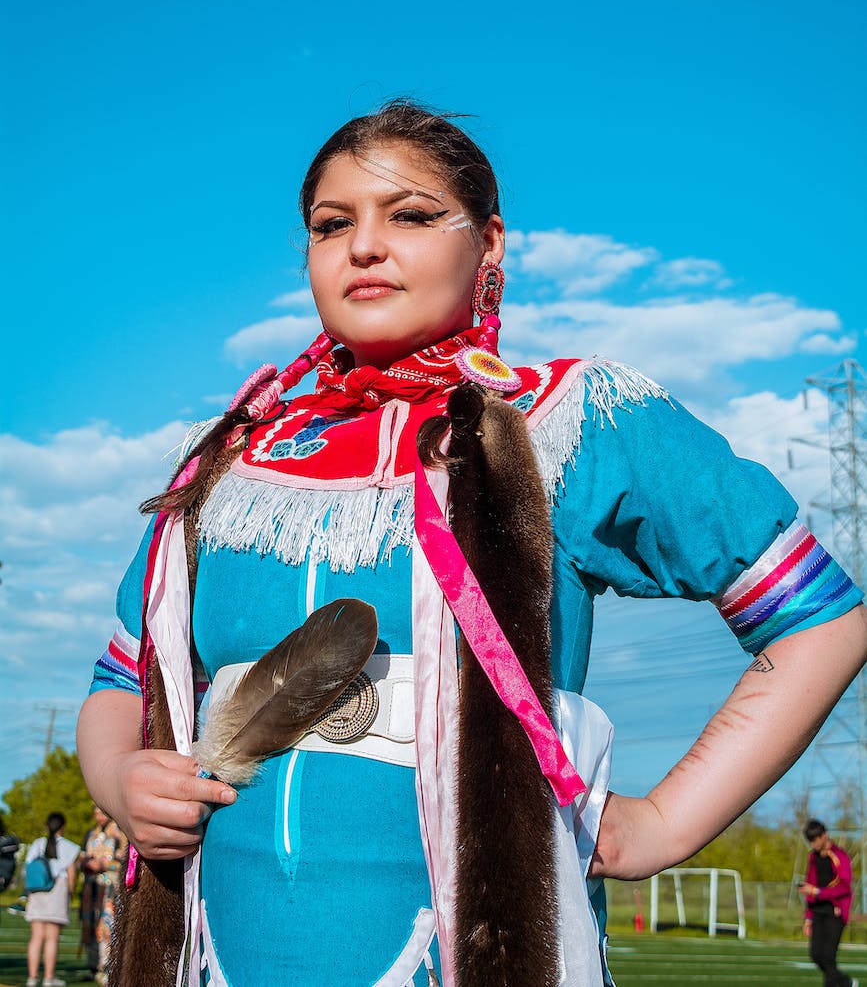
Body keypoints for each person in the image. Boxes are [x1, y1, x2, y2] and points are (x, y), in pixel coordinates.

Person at [77, 101, 867, 987]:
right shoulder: (223, 461)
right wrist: (122, 781)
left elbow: (821, 622)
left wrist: (665, 824)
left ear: (489, 244)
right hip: (219, 954)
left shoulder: (572, 422)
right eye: (331, 225)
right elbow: (119, 681)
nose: (364, 246)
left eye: (410, 215)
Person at [800, 819, 859, 987]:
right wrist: (808, 918)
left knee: (828, 956)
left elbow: (845, 887)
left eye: (815, 839)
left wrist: (819, 892)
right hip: (818, 911)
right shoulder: (812, 857)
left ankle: (843, 983)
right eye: (810, 841)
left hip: (836, 912)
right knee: (816, 954)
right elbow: (810, 884)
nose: (813, 844)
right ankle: (846, 982)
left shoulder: (839, 856)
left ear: (824, 835)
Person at [24, 811, 80, 987]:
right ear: (63, 827)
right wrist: (71, 893)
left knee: (36, 937)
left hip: (37, 891)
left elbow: (28, 866)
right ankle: (49, 978)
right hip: (57, 888)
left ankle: (32, 978)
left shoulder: (37, 844)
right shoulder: (70, 847)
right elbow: (71, 873)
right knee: (52, 938)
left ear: (46, 825)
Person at [79, 805, 127, 983]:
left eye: (101, 812)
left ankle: (108, 967)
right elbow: (81, 858)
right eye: (96, 812)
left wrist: (105, 866)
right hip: (91, 888)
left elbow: (124, 862)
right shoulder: (91, 835)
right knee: (90, 925)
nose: (98, 816)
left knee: (107, 926)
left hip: (110, 889)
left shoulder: (118, 834)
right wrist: (84, 864)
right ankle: (94, 966)